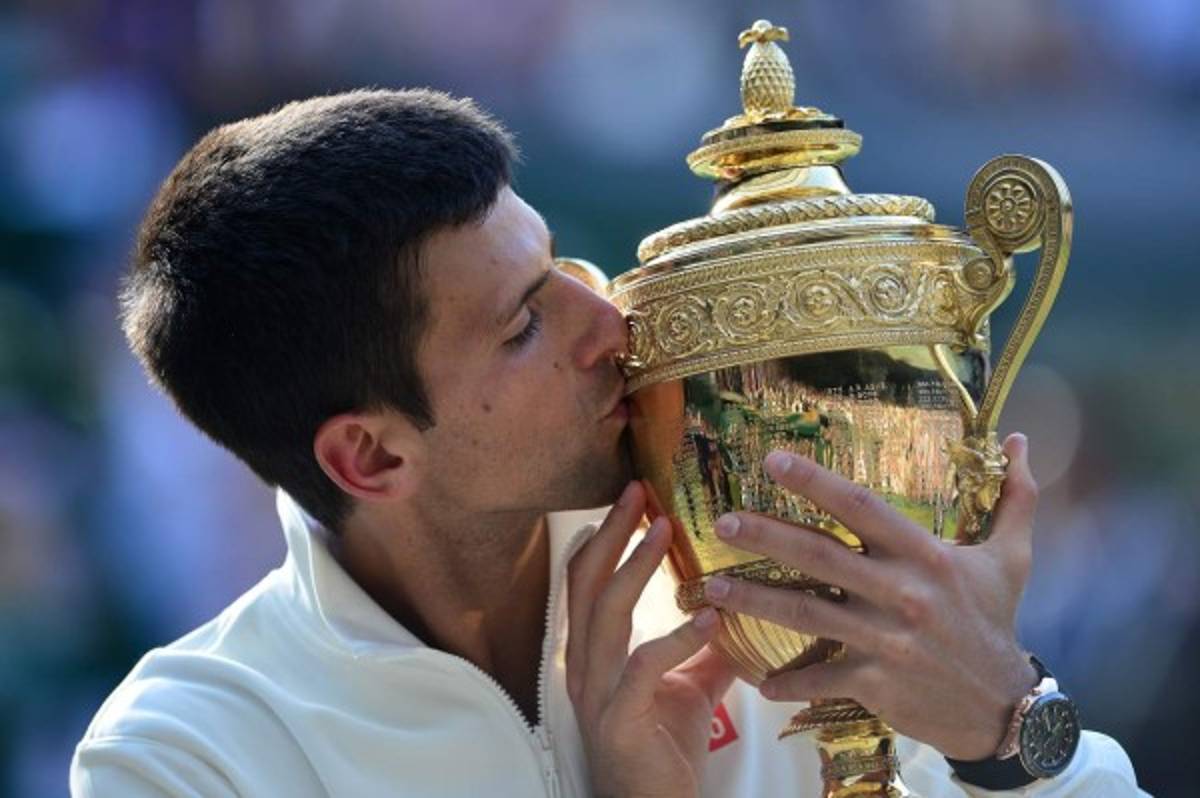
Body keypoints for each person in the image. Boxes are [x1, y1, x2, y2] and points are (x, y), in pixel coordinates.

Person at [70, 89, 1143, 797]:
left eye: (561, 267)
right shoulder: (188, 754)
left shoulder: (769, 570)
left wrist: (1006, 729)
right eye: (523, 326)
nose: (610, 324)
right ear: (373, 459)